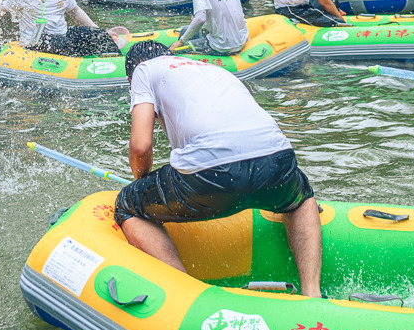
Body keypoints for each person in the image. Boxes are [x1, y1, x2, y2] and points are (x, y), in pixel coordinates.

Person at [115, 41, 324, 296]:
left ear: (130, 79)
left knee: (128, 205)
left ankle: (186, 294)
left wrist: (141, 184)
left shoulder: (143, 70)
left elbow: (140, 147)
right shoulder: (210, 70)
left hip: (211, 174)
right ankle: (311, 292)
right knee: (301, 200)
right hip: (277, 160)